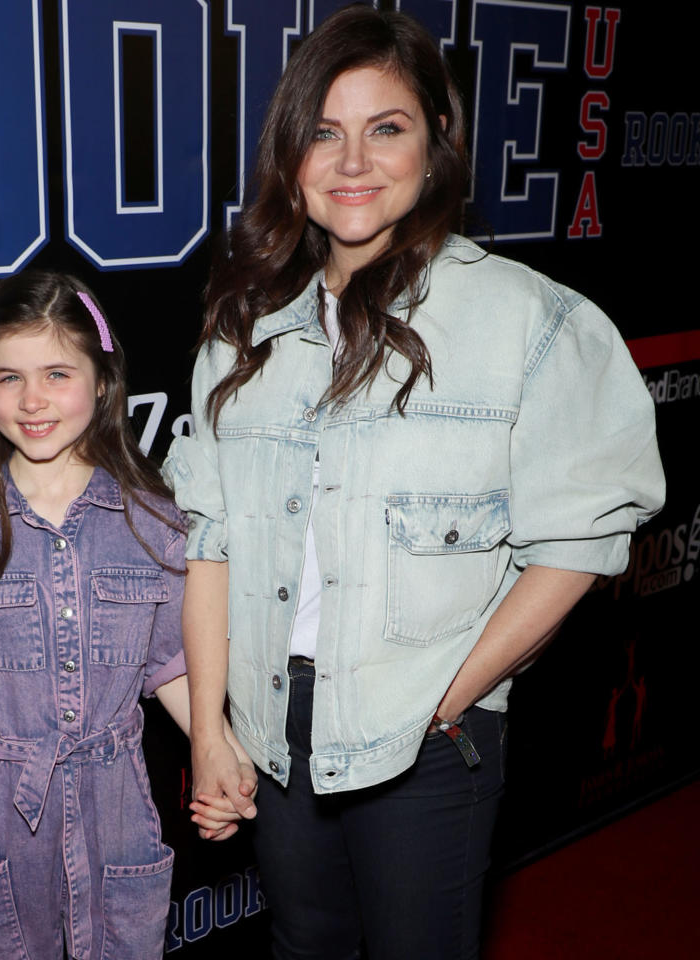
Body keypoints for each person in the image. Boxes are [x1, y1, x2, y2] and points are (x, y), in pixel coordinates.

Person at [163, 7, 664, 959]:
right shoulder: (242, 336)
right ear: (292, 160)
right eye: (324, 131)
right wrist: (214, 732)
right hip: (276, 726)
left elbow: (579, 545)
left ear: (437, 145)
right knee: (306, 951)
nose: (353, 160)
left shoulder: (526, 322)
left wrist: (451, 697)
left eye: (385, 128)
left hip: (431, 732)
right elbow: (211, 544)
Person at [0, 271, 251, 960]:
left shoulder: (155, 523)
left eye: (57, 373)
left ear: (101, 381)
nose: (32, 400)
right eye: (8, 377)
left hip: (118, 805)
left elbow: (171, 669)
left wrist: (227, 760)